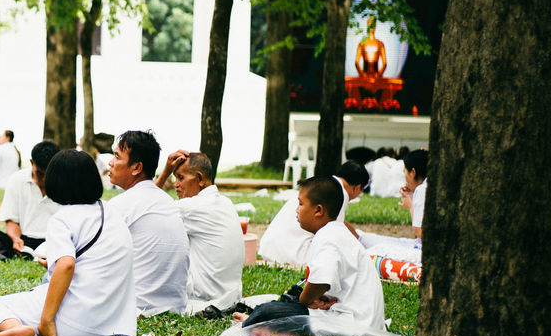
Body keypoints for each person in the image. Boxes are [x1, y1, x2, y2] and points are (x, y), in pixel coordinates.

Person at [0, 149, 138, 336]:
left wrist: (47, 321)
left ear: (55, 183)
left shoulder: (62, 219)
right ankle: (26, 324)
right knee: (37, 293)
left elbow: (66, 265)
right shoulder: (110, 210)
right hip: (110, 324)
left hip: (73, 325)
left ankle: (21, 328)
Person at [229, 175, 397, 336]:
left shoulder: (329, 238)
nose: (296, 209)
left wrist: (306, 300)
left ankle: (259, 326)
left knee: (269, 311)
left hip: (352, 324)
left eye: (301, 204)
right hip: (355, 316)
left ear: (318, 210)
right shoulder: (335, 233)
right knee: (287, 301)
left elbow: (321, 282)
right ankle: (269, 326)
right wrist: (318, 298)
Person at [106, 130, 189, 315]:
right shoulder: (165, 201)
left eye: (117, 157)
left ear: (136, 168)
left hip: (138, 308)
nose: (110, 162)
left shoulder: (121, 206)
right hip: (176, 308)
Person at [155, 149, 244, 313]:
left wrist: (165, 172)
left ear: (200, 179)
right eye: (174, 177)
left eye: (180, 177)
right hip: (230, 295)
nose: (175, 184)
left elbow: (147, 207)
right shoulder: (225, 202)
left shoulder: (190, 208)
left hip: (204, 299)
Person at [258, 160, 369, 269]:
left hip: (270, 248)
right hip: (292, 254)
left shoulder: (322, 184)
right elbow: (335, 232)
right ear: (357, 188)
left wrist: (357, 236)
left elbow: (340, 223)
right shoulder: (339, 193)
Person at [0, 141, 61, 260]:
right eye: (39, 174)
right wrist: (16, 239)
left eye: (48, 174)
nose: (44, 179)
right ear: (32, 163)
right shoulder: (17, 179)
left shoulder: (65, 182)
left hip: (55, 240)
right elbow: (11, 220)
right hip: (25, 240)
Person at [357, 148, 427, 261]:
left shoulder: (422, 189)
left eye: (405, 172)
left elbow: (420, 232)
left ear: (413, 172)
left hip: (420, 250)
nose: (405, 176)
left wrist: (410, 205)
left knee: (374, 250)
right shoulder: (427, 187)